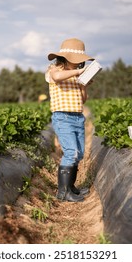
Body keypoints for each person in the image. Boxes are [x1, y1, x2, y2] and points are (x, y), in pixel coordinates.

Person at [45, 38, 94, 202]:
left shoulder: (76, 75)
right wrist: (78, 73)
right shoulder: (53, 70)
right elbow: (58, 77)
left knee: (78, 153)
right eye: (76, 61)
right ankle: (63, 192)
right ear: (66, 58)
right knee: (71, 152)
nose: (78, 64)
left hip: (77, 117)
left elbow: (83, 100)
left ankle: (71, 187)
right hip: (63, 117)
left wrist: (84, 85)